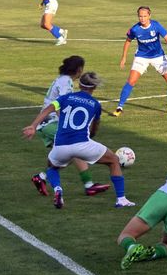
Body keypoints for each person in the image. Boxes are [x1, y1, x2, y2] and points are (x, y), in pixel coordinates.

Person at [23, 72, 136, 209]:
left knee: (52, 168)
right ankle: (121, 199)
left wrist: (34, 126)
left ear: (79, 84)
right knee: (113, 160)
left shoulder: (65, 97)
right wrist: (91, 138)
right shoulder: (95, 104)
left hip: (61, 146)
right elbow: (94, 128)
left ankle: (58, 189)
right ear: (93, 87)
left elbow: (48, 109)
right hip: (83, 144)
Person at [30, 56, 110, 197]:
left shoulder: (63, 79)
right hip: (50, 123)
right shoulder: (66, 82)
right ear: (79, 70)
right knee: (75, 147)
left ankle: (41, 177)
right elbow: (59, 105)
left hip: (47, 123)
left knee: (62, 157)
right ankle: (89, 185)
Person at [112, 6, 167, 117]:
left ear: (149, 16)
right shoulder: (135, 29)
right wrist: (124, 57)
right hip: (142, 57)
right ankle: (119, 108)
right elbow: (127, 41)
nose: (142, 18)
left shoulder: (156, 26)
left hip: (159, 57)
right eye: (140, 16)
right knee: (131, 81)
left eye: (145, 16)